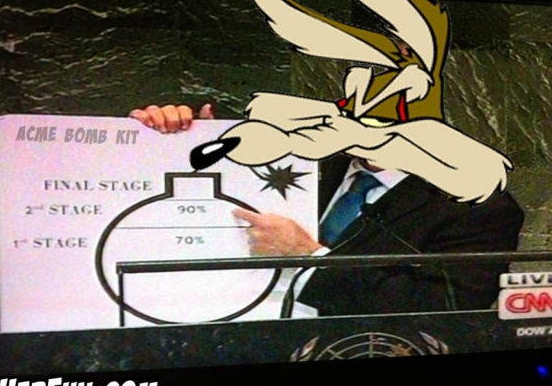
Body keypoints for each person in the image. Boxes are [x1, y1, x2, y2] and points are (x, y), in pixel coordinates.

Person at [129, 104, 525, 316]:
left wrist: (309, 257)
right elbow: (213, 205)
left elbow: (442, 310)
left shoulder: (478, 206)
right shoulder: (306, 161)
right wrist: (179, 139)